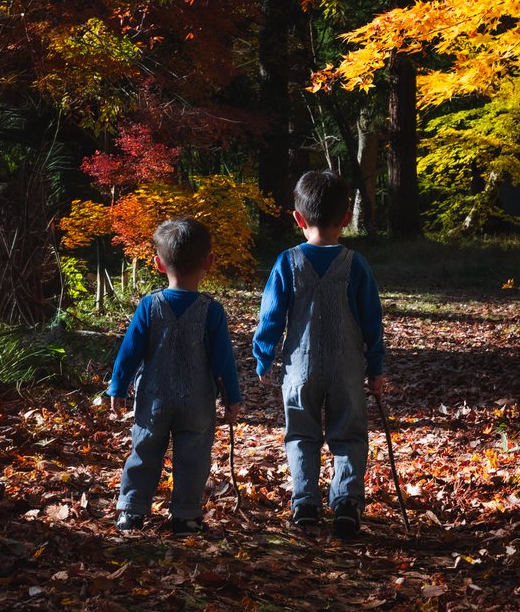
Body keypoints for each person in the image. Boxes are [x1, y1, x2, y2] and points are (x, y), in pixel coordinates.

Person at [253, 169, 384, 539]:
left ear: (298, 218)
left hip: (299, 368)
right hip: (347, 369)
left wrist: (264, 357)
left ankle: (305, 503)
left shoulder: (287, 262)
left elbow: (271, 316)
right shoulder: (356, 265)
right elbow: (372, 321)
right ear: (347, 218)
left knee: (301, 434)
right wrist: (376, 368)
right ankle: (345, 504)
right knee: (350, 435)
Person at [109, 217, 242, 536]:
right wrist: (232, 397)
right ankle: (186, 515)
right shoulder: (212, 311)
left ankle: (131, 510)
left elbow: (130, 351)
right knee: (193, 458)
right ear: (209, 262)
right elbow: (224, 361)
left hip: (153, 398)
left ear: (157, 263)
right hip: (197, 401)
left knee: (143, 453)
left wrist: (118, 387)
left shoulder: (149, 306)